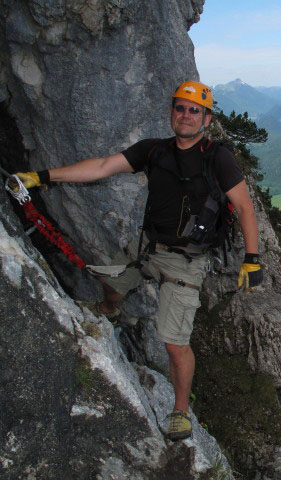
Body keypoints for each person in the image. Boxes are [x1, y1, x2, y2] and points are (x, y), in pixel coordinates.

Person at [13, 80, 262, 441]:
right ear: (171, 113)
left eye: (195, 110)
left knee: (175, 343)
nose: (186, 115)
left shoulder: (217, 158)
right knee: (112, 281)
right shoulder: (153, 151)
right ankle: (110, 308)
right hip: (147, 246)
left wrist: (252, 259)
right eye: (180, 107)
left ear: (206, 120)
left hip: (186, 262)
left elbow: (243, 205)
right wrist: (42, 177)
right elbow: (101, 167)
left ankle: (179, 410)